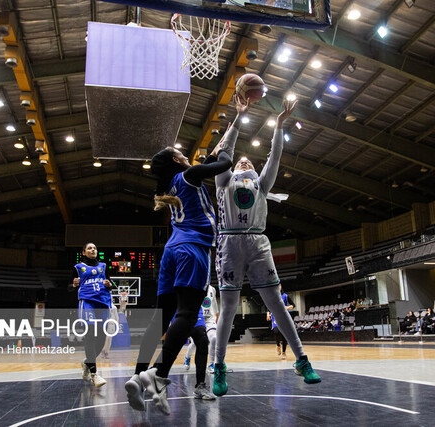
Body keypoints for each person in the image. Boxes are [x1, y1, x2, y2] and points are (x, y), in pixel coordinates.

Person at [124, 111, 236, 414]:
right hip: (193, 248)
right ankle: (156, 376)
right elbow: (224, 164)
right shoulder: (189, 174)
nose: (186, 155)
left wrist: (232, 126)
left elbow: (210, 158)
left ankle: (138, 375)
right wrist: (226, 148)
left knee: (160, 318)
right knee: (187, 313)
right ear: (176, 161)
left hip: (171, 249)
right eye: (181, 153)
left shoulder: (170, 183)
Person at [212, 98, 321, 397]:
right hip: (230, 241)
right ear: (232, 169)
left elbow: (275, 157)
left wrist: (280, 124)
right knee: (229, 309)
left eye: (249, 161)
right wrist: (238, 117)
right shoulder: (223, 181)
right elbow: (225, 152)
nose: (244, 162)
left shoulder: (261, 185)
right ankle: (218, 366)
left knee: (275, 303)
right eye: (239, 161)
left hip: (258, 242)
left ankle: (301, 359)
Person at [71, 242, 112, 387]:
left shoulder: (103, 266)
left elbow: (111, 283)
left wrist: (109, 285)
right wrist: (73, 285)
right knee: (90, 336)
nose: (93, 249)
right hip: (88, 302)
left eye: (94, 248)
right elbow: (69, 287)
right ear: (84, 252)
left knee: (101, 339)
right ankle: (95, 374)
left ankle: (87, 363)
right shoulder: (78, 267)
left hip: (103, 302)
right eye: (89, 248)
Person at [176, 307, 216, 400]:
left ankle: (200, 385)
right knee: (173, 345)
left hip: (196, 310)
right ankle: (144, 375)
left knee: (202, 340)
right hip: (177, 308)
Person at [183, 284, 219, 374]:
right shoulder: (193, 286)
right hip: (198, 318)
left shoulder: (212, 289)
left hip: (209, 319)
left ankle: (211, 364)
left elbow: (214, 305)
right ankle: (187, 357)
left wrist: (216, 318)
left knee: (213, 338)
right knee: (196, 343)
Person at [267, 285, 295, 359]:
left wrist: (287, 307)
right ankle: (278, 345)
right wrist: (268, 313)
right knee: (276, 331)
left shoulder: (285, 296)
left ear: (281, 287)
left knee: (284, 335)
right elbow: (269, 306)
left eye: (279, 286)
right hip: (275, 316)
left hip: (284, 316)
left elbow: (293, 305)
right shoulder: (273, 296)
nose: (278, 287)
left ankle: (284, 352)